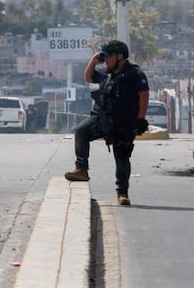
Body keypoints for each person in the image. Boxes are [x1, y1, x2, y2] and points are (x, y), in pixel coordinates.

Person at [64, 40, 149, 206]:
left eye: (108, 57)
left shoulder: (135, 73)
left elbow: (144, 95)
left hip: (123, 123)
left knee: (122, 156)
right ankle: (81, 169)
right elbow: (88, 77)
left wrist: (140, 119)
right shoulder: (109, 75)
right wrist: (95, 59)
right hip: (102, 119)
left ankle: (122, 193)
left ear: (119, 57)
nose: (106, 60)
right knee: (81, 132)